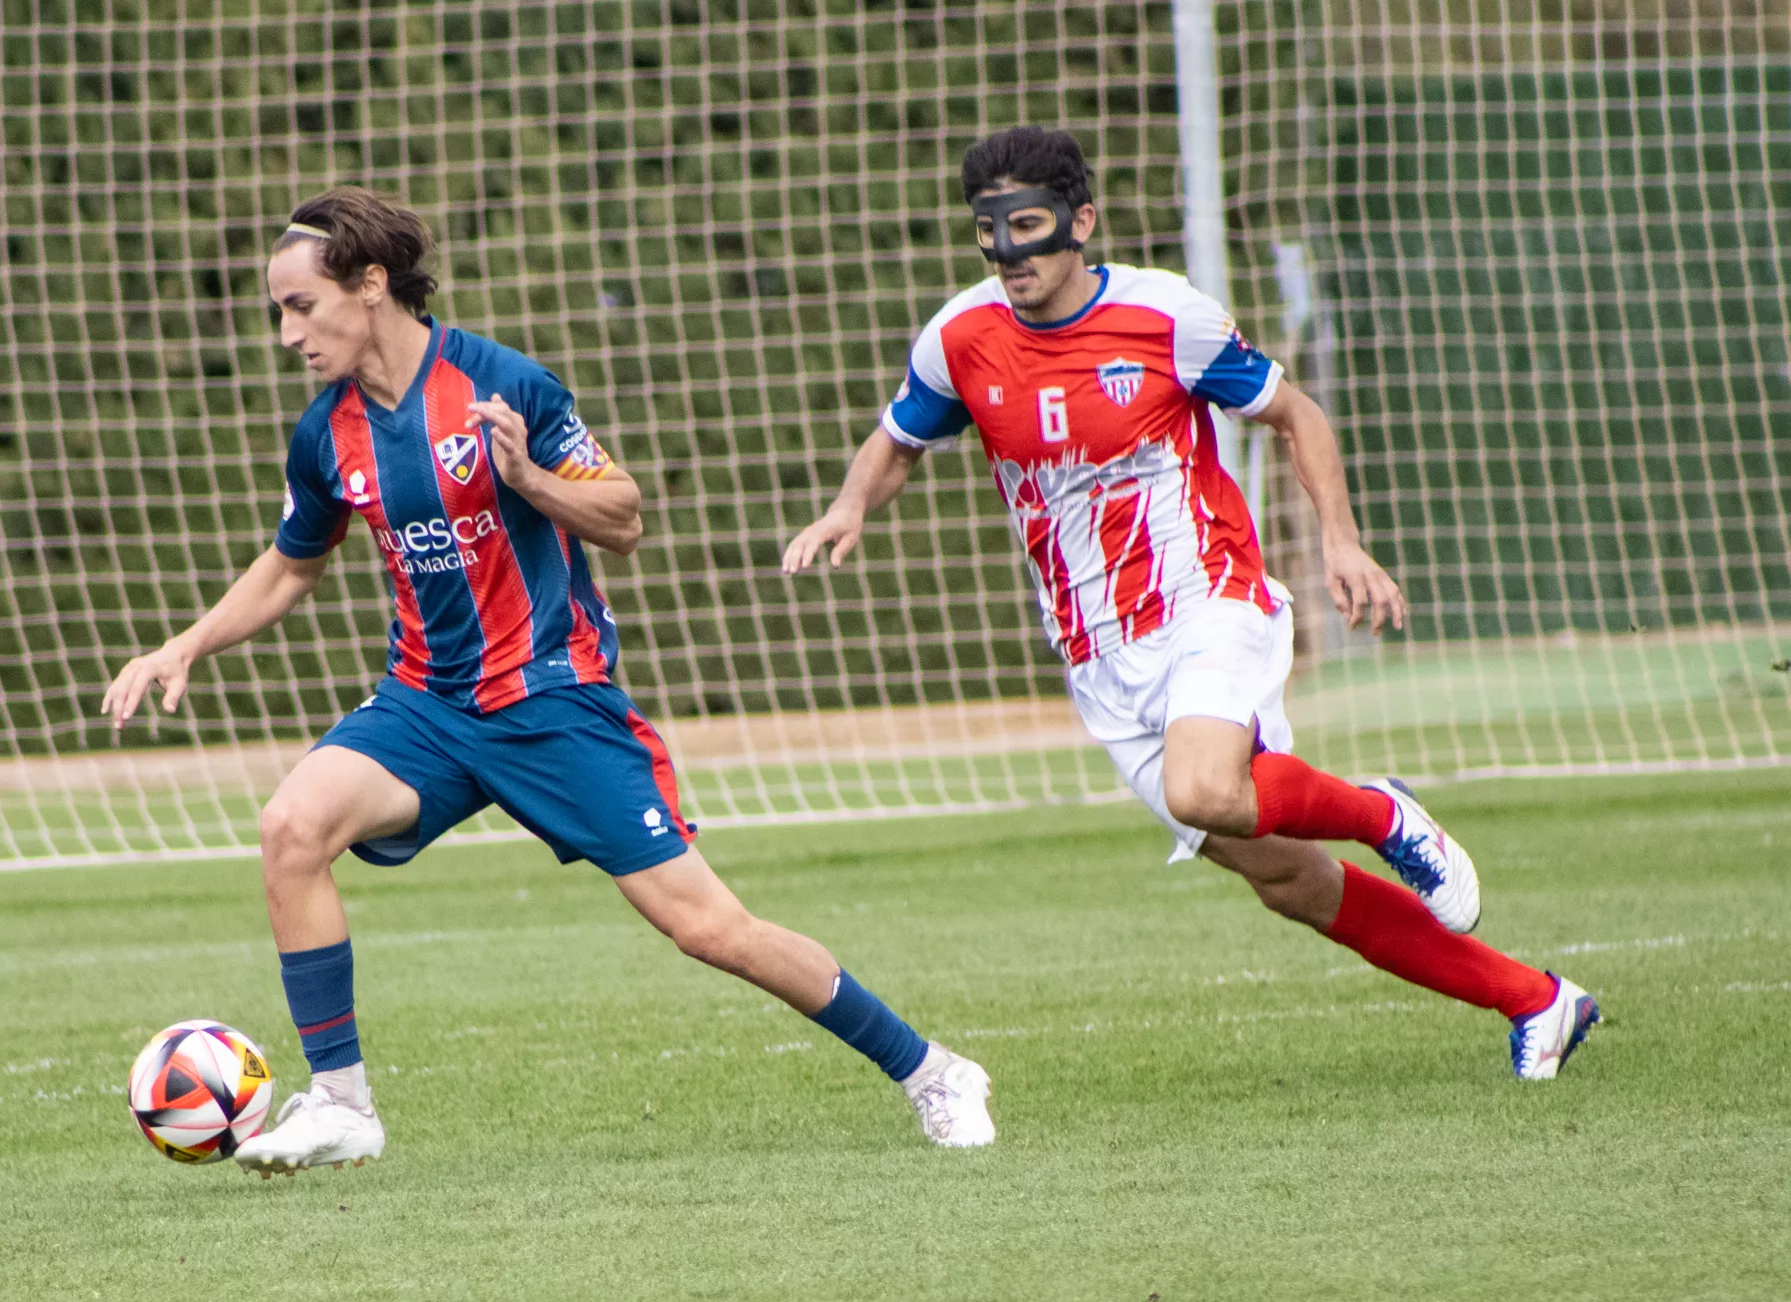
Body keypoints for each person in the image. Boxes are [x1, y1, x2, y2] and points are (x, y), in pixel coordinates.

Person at [101, 187, 994, 1173]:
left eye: (299, 305)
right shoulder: (327, 436)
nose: (286, 333)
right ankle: (341, 1105)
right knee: (290, 828)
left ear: (368, 285)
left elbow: (623, 513)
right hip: (427, 707)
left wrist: (526, 479)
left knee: (708, 929)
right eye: (278, 310)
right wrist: (185, 644)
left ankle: (932, 1071)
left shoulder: (501, 382)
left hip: (553, 700)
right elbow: (293, 563)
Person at [783, 127, 1600, 1080]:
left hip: (1207, 597)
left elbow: (1295, 412)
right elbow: (900, 438)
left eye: (1031, 228)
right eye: (989, 234)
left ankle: (1383, 814)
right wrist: (849, 503)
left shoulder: (1166, 315)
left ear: (1081, 222)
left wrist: (1339, 539)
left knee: (1205, 788)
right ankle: (1537, 1000)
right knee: (1288, 878)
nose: (1011, 255)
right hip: (1098, 658)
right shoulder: (961, 337)